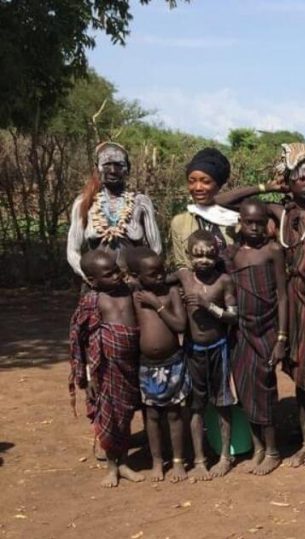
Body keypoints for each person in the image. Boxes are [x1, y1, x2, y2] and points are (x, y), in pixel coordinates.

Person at [216, 143, 305, 472]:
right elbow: (221, 202)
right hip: (298, 306)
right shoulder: (281, 214)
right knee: (303, 380)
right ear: (288, 180)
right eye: (301, 177)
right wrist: (268, 187)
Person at [69, 249, 145, 487]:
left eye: (116, 270)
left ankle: (124, 463)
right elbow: (79, 339)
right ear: (92, 280)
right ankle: (112, 467)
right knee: (110, 418)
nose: (116, 276)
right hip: (106, 370)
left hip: (131, 366)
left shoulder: (129, 291)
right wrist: (88, 376)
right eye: (109, 274)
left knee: (125, 416)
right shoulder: (91, 301)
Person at [230, 200, 288, 476]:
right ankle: (258, 448)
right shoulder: (233, 254)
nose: (254, 228)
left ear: (268, 223)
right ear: (240, 222)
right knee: (244, 389)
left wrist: (281, 337)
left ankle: (273, 450)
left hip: (266, 330)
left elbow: (282, 296)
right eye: (248, 222)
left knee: (264, 391)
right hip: (241, 331)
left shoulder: (273, 250)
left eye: (259, 222)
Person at [176, 230, 238, 481]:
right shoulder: (182, 277)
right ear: (189, 255)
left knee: (222, 403)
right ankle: (199, 459)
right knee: (196, 405)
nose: (204, 261)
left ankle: (225, 456)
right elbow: (155, 280)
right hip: (193, 351)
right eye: (198, 255)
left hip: (218, 348)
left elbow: (233, 315)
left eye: (209, 256)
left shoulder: (223, 281)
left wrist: (208, 305)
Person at [126, 247, 189, 483]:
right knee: (151, 416)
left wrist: (157, 305)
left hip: (172, 362)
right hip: (146, 366)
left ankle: (178, 461)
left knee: (174, 415)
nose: (160, 277)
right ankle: (156, 461)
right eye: (153, 274)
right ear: (137, 276)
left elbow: (180, 325)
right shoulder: (134, 298)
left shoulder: (170, 293)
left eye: (162, 271)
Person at [67, 141, 161, 279]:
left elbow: (156, 248)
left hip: (134, 283)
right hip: (97, 285)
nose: (112, 170)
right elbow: (72, 250)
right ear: (97, 167)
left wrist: (145, 275)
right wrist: (86, 276)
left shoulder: (141, 202)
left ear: (127, 168)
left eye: (119, 165)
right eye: (106, 165)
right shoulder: (84, 202)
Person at [168, 148, 238, 270]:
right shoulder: (179, 222)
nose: (198, 187)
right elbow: (181, 265)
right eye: (192, 181)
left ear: (218, 185)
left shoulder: (234, 218)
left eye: (205, 181)